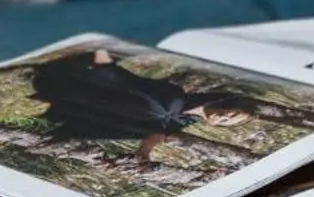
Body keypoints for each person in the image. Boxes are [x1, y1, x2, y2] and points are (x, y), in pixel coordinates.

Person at [27, 49, 256, 156]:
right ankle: (100, 63)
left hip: (90, 102)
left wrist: (144, 151)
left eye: (229, 122)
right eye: (232, 113)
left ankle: (66, 122)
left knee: (148, 119)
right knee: (155, 107)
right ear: (227, 102)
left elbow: (156, 135)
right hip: (98, 82)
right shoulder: (183, 98)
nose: (225, 117)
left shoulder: (185, 122)